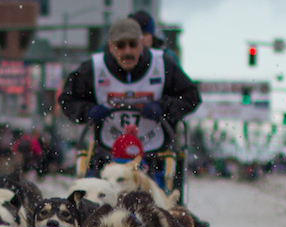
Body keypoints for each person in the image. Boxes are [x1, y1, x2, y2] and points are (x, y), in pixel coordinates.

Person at [58, 17, 201, 176]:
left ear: (141, 44)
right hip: (108, 153)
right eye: (120, 46)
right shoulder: (93, 68)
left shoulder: (163, 64)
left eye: (133, 45)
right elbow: (67, 100)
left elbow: (192, 96)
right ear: (110, 46)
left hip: (154, 154)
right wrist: (88, 111)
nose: (127, 52)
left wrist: (164, 107)